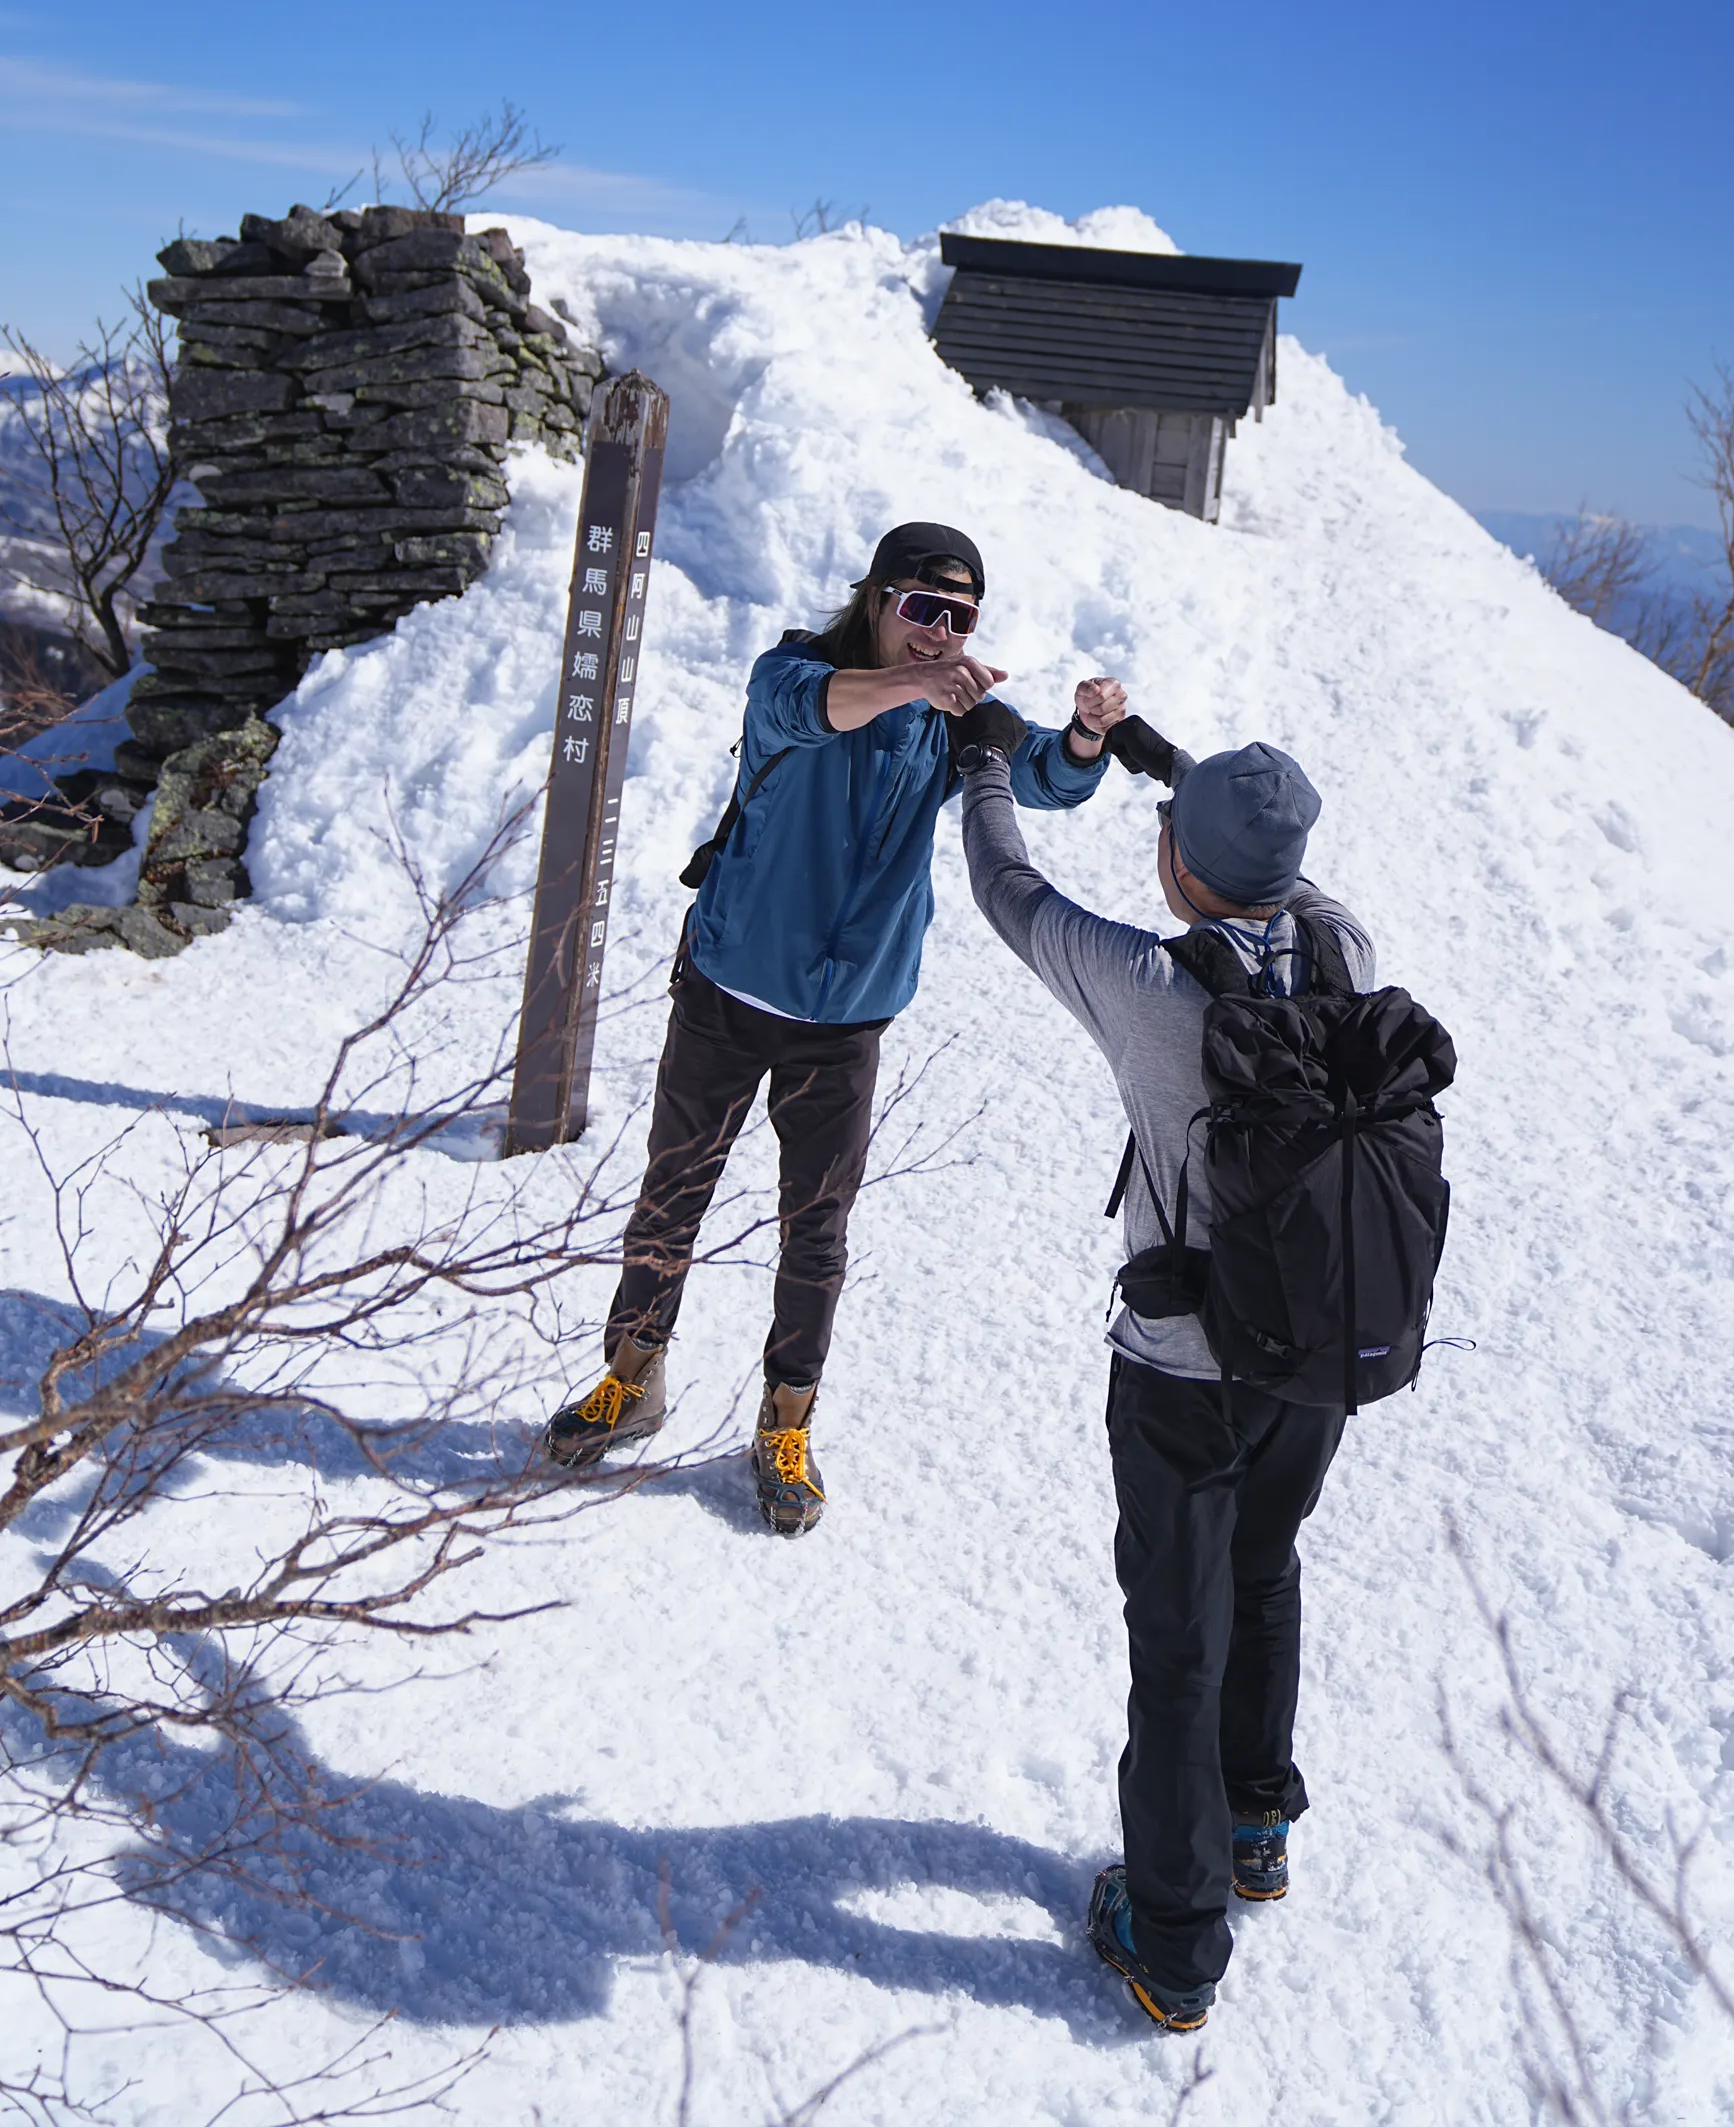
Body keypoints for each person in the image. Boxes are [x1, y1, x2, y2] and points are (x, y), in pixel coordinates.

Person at [542, 520, 1127, 1532]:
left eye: (959, 618)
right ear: (875, 600)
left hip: (846, 1015)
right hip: (729, 984)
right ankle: (630, 1379)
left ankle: (784, 1421)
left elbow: (1038, 773)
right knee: (672, 1194)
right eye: (920, 610)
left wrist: (1081, 737)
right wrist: (918, 685)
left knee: (816, 1229)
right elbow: (814, 711)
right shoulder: (794, 675)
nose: (939, 634)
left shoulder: (950, 715)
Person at [955, 712, 1376, 2032]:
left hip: (1183, 1369)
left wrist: (984, 757)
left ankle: (1174, 1943)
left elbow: (1005, 886)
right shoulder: (1343, 948)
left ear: (1184, 868)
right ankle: (1258, 1824)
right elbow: (1273, 864)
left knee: (1176, 1640)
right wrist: (1160, 764)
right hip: (1316, 1352)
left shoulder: (1144, 983)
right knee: (1267, 1568)